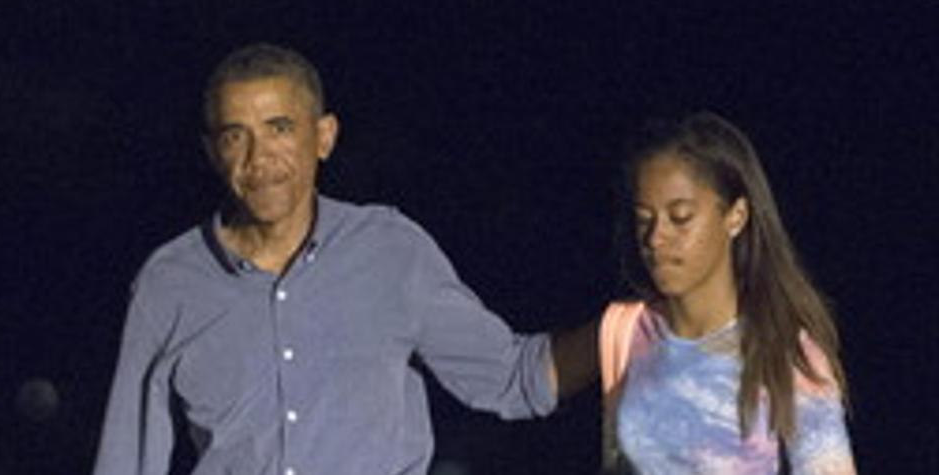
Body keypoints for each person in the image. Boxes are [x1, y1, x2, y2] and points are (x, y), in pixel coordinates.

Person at [93, 43, 598, 475]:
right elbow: (126, 460)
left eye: (280, 128)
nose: (258, 158)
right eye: (235, 136)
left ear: (325, 137)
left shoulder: (390, 251)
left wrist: (634, 325)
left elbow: (512, 379)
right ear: (212, 152)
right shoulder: (169, 281)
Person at [599, 112, 855, 474]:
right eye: (644, 219)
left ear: (735, 216)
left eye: (681, 217)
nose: (656, 238)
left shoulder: (787, 356)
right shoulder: (627, 332)